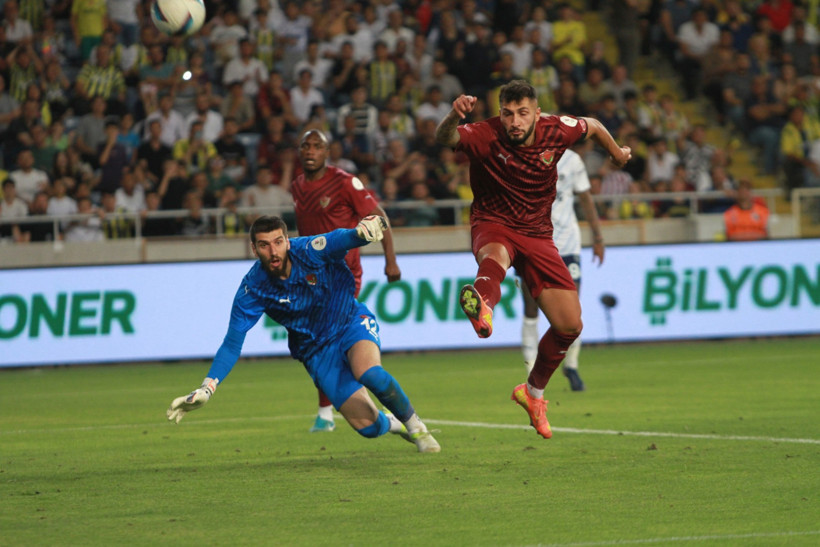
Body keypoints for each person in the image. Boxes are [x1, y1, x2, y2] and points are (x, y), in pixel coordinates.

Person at [434, 80, 630, 439]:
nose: (514, 122)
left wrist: (616, 154)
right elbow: (445, 138)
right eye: (507, 114)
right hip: (493, 222)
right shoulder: (484, 134)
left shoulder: (557, 129)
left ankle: (533, 392)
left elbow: (595, 126)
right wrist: (453, 115)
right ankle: (483, 305)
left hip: (539, 234)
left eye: (523, 113)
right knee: (495, 255)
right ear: (499, 114)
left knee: (570, 325)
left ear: (537, 113)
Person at [166, 215, 439, 453]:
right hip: (315, 351)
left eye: (278, 242)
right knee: (367, 427)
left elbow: (341, 239)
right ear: (253, 249)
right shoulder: (253, 289)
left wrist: (361, 232)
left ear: (287, 240)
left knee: (368, 372)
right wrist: (208, 387)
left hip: (348, 321)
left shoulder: (309, 250)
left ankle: (417, 427)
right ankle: (392, 423)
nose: (273, 251)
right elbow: (232, 343)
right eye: (264, 245)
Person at [290, 129, 402, 433]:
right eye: (306, 145)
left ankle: (333, 412)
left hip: (343, 275)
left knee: (328, 338)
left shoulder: (344, 183)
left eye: (317, 146)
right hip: (312, 275)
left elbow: (378, 217)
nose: (311, 151)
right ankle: (333, 410)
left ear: (328, 153)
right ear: (299, 151)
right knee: (313, 340)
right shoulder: (298, 186)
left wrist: (390, 259)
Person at [520, 147, 604, 392]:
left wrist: (598, 238)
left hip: (567, 245)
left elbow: (586, 198)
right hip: (533, 244)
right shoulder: (523, 155)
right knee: (530, 308)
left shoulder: (572, 159)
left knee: (573, 309)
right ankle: (531, 371)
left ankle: (573, 366)